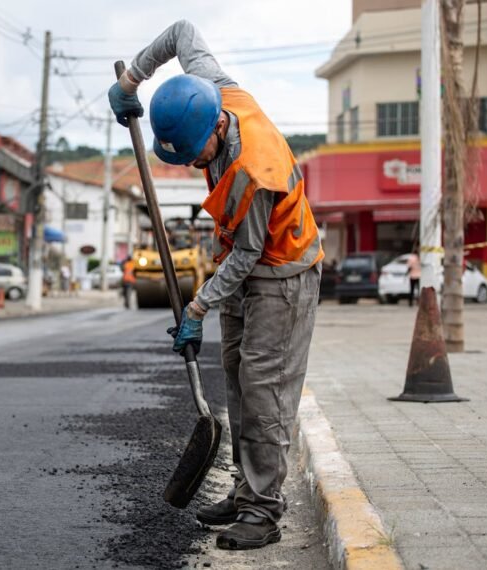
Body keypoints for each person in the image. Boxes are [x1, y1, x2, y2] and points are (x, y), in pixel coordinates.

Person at [109, 20, 323, 551]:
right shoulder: (211, 88)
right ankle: (246, 489)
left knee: (264, 389)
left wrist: (198, 308)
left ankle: (263, 511)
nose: (193, 164)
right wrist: (133, 80)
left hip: (283, 272)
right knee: (236, 378)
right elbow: (182, 32)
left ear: (216, 128)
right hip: (242, 264)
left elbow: (250, 253)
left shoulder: (254, 169)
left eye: (195, 154)